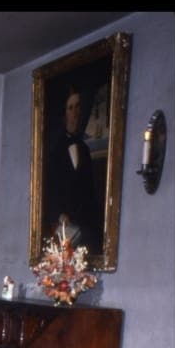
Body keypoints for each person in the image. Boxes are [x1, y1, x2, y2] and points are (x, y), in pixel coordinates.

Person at [42, 85, 104, 258]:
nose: (75, 111)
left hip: (84, 219)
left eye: (78, 106)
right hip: (63, 222)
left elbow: (89, 190)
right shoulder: (54, 150)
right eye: (71, 107)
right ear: (65, 113)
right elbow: (48, 190)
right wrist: (59, 214)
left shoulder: (84, 149)